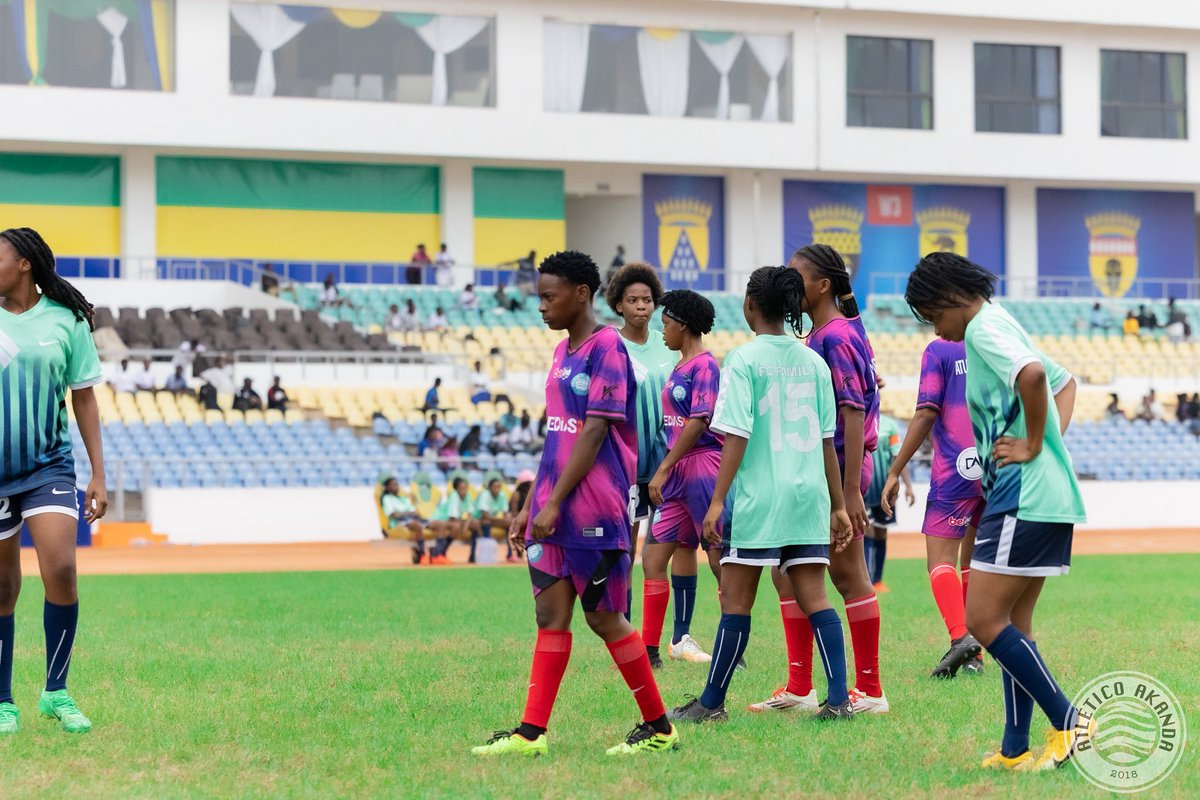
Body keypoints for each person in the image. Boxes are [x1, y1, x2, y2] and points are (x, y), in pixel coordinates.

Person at [472, 250, 678, 758]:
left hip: (593, 510)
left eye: (549, 296)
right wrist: (531, 503)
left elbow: (594, 431)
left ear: (581, 295)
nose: (540, 306)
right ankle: (530, 734)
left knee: (604, 618)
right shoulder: (563, 352)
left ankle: (660, 728)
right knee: (549, 615)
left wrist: (555, 501)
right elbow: (557, 435)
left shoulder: (607, 349)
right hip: (552, 507)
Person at [905, 251, 1088, 771]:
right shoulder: (1002, 319)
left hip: (1021, 495)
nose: (937, 332)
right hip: (1041, 494)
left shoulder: (983, 327)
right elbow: (1064, 380)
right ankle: (1014, 749)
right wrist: (1050, 443)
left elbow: (1034, 375)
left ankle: (1071, 720)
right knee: (1014, 625)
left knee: (982, 619)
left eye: (932, 318)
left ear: (948, 300)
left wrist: (1034, 445)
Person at [667, 266, 854, 724]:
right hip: (809, 495)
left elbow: (736, 436)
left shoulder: (743, 361)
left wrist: (716, 501)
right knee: (815, 596)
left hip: (761, 499)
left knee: (736, 600)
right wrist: (840, 504)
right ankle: (837, 700)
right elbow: (828, 441)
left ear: (751, 304)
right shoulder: (814, 362)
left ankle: (711, 704)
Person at [753, 244, 887, 715]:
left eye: (798, 276)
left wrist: (848, 495)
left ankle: (870, 690)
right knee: (788, 575)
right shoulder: (828, 334)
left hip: (840, 473)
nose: (790, 284)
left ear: (824, 284)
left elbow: (851, 413)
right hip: (817, 471)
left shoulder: (834, 337)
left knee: (848, 576)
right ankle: (799, 686)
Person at [0, 226, 108, 735]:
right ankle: (3, 702)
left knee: (61, 568)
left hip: (50, 467)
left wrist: (99, 475)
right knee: (1, 586)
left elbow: (84, 397)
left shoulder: (67, 321)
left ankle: (56, 691)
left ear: (24, 263)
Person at [882, 337, 988, 679]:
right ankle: (976, 655)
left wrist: (896, 469)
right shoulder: (995, 338)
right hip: (995, 465)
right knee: (974, 563)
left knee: (941, 561)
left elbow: (927, 410)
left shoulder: (939, 349)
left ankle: (961, 638)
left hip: (955, 468)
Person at [640, 290, 723, 669]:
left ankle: (730, 643)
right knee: (653, 557)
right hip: (677, 471)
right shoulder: (680, 366)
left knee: (719, 557)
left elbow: (699, 420)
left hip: (702, 465)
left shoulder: (705, 366)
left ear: (684, 324)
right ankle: (652, 649)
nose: (662, 329)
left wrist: (663, 467)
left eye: (667, 322)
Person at [606, 263, 673, 622]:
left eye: (647, 299)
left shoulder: (670, 345)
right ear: (619, 305)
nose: (641, 306)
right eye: (632, 300)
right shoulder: (609, 346)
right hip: (626, 465)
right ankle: (625, 628)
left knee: (667, 553)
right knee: (626, 550)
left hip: (668, 465)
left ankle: (674, 635)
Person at [863, 412, 913, 593]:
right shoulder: (859, 419)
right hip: (865, 488)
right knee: (867, 531)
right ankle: (867, 580)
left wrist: (907, 486)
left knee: (881, 533)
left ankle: (877, 580)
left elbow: (897, 456)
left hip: (885, 487)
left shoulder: (890, 425)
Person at [428, 476, 479, 564]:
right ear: (456, 489)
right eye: (461, 488)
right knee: (456, 527)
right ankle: (439, 553)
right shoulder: (454, 496)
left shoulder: (467, 496)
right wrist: (464, 527)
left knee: (475, 524)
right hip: (439, 520)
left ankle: (472, 556)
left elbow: (470, 515)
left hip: (450, 521)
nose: (464, 490)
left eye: (465, 488)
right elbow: (453, 518)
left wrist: (466, 526)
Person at [381, 478, 425, 564]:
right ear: (387, 487)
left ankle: (437, 555)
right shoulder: (387, 498)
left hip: (410, 520)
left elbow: (414, 512)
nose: (397, 487)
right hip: (397, 524)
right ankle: (422, 554)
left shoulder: (403, 498)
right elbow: (394, 515)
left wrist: (404, 513)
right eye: (394, 485)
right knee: (416, 525)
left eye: (397, 484)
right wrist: (407, 513)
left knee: (435, 524)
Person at [474, 477, 512, 551]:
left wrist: (507, 520)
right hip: (478, 519)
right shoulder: (484, 495)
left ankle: (510, 554)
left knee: (510, 524)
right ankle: (486, 551)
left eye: (498, 487)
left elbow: (506, 513)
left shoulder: (502, 495)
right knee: (486, 522)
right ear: (489, 487)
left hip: (492, 519)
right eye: (494, 487)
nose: (496, 489)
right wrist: (502, 520)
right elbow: (485, 515)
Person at [505, 470, 535, 562]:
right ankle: (511, 554)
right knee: (514, 531)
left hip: (526, 519)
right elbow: (513, 512)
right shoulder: (517, 494)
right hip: (516, 519)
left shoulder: (529, 495)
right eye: (530, 482)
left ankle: (523, 555)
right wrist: (520, 520)